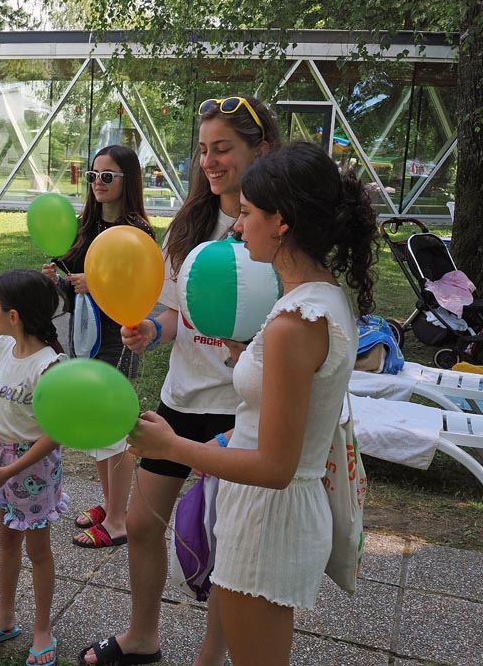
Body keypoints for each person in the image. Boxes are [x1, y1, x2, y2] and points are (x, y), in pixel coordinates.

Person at [126, 141, 379, 665]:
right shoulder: (319, 299)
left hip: (268, 518)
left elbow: (274, 466)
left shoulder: (294, 322)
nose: (238, 228)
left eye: (245, 213)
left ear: (281, 221)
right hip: (273, 513)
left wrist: (173, 445)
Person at [80, 95, 280, 666]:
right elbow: (174, 313)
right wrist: (151, 329)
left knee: (227, 544)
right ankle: (143, 639)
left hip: (241, 406)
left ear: (260, 149)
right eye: (203, 150)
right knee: (142, 521)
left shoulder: (277, 226)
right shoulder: (192, 223)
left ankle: (210, 658)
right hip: (182, 396)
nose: (210, 162)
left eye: (223, 149)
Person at [40, 144, 153, 549]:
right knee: (98, 425)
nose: (98, 183)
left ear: (127, 180)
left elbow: (137, 288)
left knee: (116, 428)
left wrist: (97, 284)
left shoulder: (137, 230)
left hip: (118, 338)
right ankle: (110, 505)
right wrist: (59, 280)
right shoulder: (85, 225)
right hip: (85, 336)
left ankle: (120, 520)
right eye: (93, 176)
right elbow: (75, 284)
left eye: (107, 176)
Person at [0, 269, 68, 666]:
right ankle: (5, 616)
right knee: (6, 541)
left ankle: (43, 629)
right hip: (0, 456)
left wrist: (13, 471)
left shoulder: (48, 367)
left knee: (38, 550)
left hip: (33, 466)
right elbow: (7, 401)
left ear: (14, 315)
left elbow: (56, 431)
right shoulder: (4, 349)